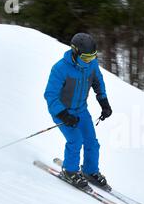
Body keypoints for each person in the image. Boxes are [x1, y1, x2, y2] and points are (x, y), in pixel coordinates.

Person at [44, 33, 112, 188]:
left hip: (81, 110)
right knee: (76, 140)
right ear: (75, 53)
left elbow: (98, 82)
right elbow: (50, 95)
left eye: (92, 57)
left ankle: (90, 171)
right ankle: (70, 171)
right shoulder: (60, 69)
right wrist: (64, 115)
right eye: (86, 58)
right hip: (62, 112)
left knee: (92, 142)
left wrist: (104, 102)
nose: (89, 62)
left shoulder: (92, 64)